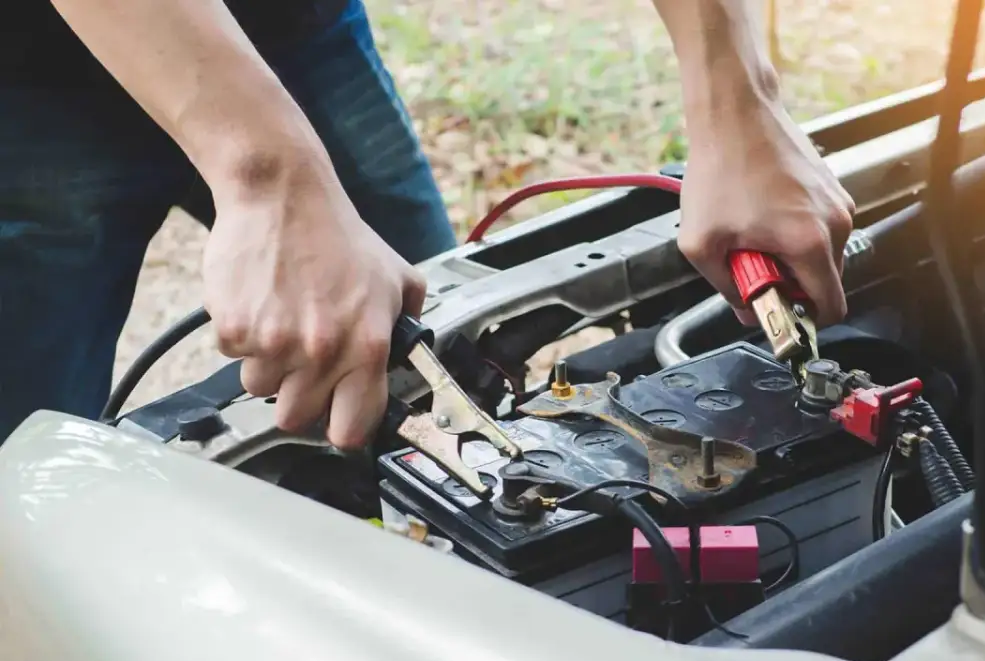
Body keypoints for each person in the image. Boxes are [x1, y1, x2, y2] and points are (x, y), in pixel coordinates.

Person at [0, 0, 854, 446]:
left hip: (298, 29)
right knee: (22, 456)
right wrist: (268, 169)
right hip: (31, 79)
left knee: (432, 343)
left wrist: (741, 99)